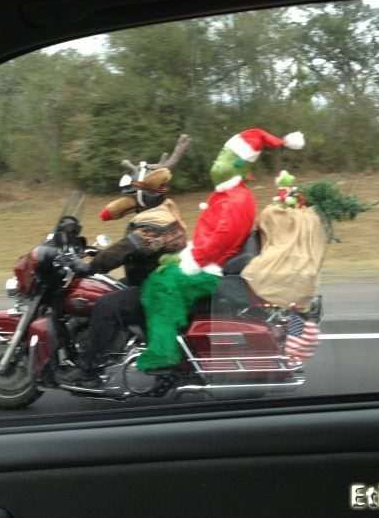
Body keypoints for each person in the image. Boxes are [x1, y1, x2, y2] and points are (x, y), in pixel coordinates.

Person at [128, 127, 305, 390]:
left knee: (160, 286)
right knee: (160, 276)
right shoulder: (226, 195)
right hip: (209, 260)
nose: (217, 163)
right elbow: (210, 235)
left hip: (212, 268)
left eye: (225, 157)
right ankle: (175, 346)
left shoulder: (236, 200)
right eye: (220, 156)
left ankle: (164, 354)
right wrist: (184, 253)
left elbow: (220, 239)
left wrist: (191, 261)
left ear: (240, 165)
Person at [67, 166, 187, 384]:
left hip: (157, 288)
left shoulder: (156, 221)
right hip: (157, 281)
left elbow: (128, 248)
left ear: (145, 194)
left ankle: (90, 369)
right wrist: (96, 254)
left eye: (132, 195)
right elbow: (130, 249)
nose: (128, 200)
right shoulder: (162, 212)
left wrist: (89, 267)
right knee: (104, 289)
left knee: (105, 306)